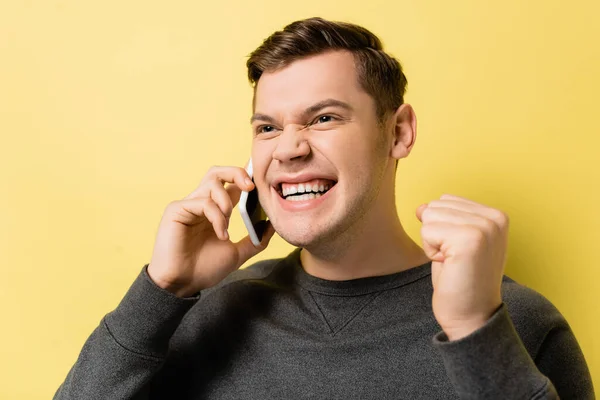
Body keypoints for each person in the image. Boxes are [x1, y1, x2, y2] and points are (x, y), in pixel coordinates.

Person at [54, 17, 594, 399]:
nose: (288, 148)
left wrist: (476, 332)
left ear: (399, 132)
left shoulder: (516, 324)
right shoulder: (210, 314)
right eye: (268, 128)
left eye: (324, 118)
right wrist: (161, 292)